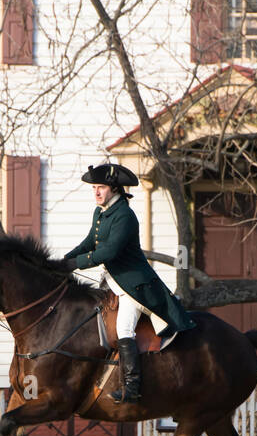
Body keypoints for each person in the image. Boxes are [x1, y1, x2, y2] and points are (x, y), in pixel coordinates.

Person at [60, 163, 196, 403]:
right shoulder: (101, 213)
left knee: (123, 329)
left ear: (114, 189)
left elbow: (108, 252)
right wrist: (62, 261)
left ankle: (132, 387)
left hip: (134, 286)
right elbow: (89, 242)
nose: (96, 193)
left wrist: (75, 264)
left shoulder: (125, 215)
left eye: (100, 188)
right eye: (94, 188)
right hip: (113, 282)